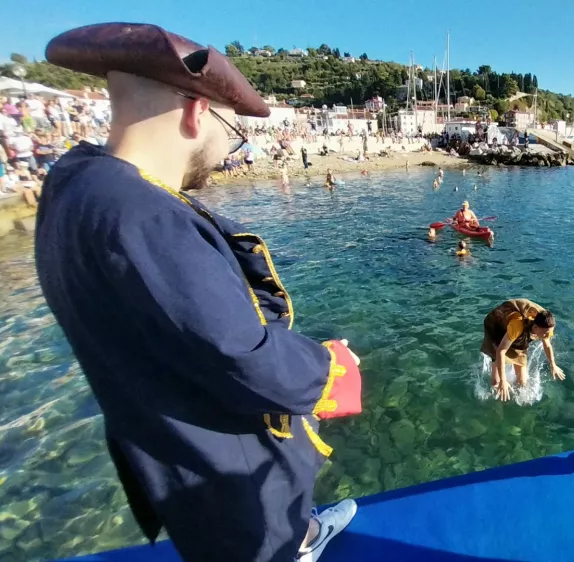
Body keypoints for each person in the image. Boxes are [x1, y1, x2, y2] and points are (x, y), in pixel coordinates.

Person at [35, 23, 361, 562]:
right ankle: (292, 547)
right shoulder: (145, 218)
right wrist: (331, 369)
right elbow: (241, 354)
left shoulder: (72, 183)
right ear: (195, 111)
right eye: (230, 135)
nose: (227, 154)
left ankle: (300, 531)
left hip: (160, 435)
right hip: (220, 476)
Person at [480, 299, 565, 401]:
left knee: (523, 382)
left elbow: (547, 345)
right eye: (545, 333)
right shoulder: (517, 325)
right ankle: (499, 402)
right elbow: (501, 351)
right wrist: (503, 380)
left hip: (520, 330)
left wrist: (553, 364)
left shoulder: (547, 326)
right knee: (497, 383)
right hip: (497, 325)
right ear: (536, 327)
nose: (548, 336)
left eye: (549, 333)